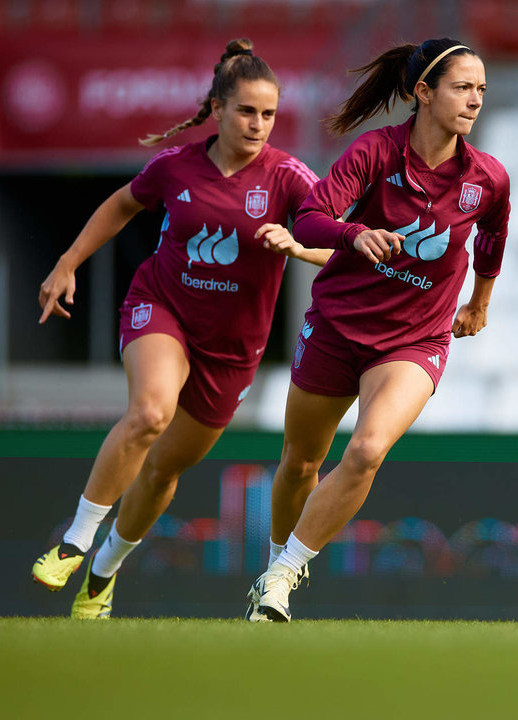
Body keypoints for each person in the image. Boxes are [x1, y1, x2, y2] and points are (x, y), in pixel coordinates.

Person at [30, 38, 331, 619]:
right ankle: (75, 537)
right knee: (149, 413)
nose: (258, 124)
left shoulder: (290, 179)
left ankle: (103, 572)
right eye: (246, 111)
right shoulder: (175, 166)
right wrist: (68, 263)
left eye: (268, 114)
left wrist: (296, 246)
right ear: (217, 108)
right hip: (161, 307)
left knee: (165, 468)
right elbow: (121, 204)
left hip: (232, 350)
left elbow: (338, 245)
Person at [245, 37, 510, 622]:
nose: (475, 101)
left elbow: (493, 237)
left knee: (365, 450)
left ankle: (283, 578)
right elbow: (310, 217)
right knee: (300, 463)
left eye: (482, 90)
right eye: (463, 88)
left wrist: (480, 300)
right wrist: (352, 235)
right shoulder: (374, 153)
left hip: (416, 340)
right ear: (423, 92)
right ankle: (272, 564)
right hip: (339, 326)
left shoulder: (488, 178)